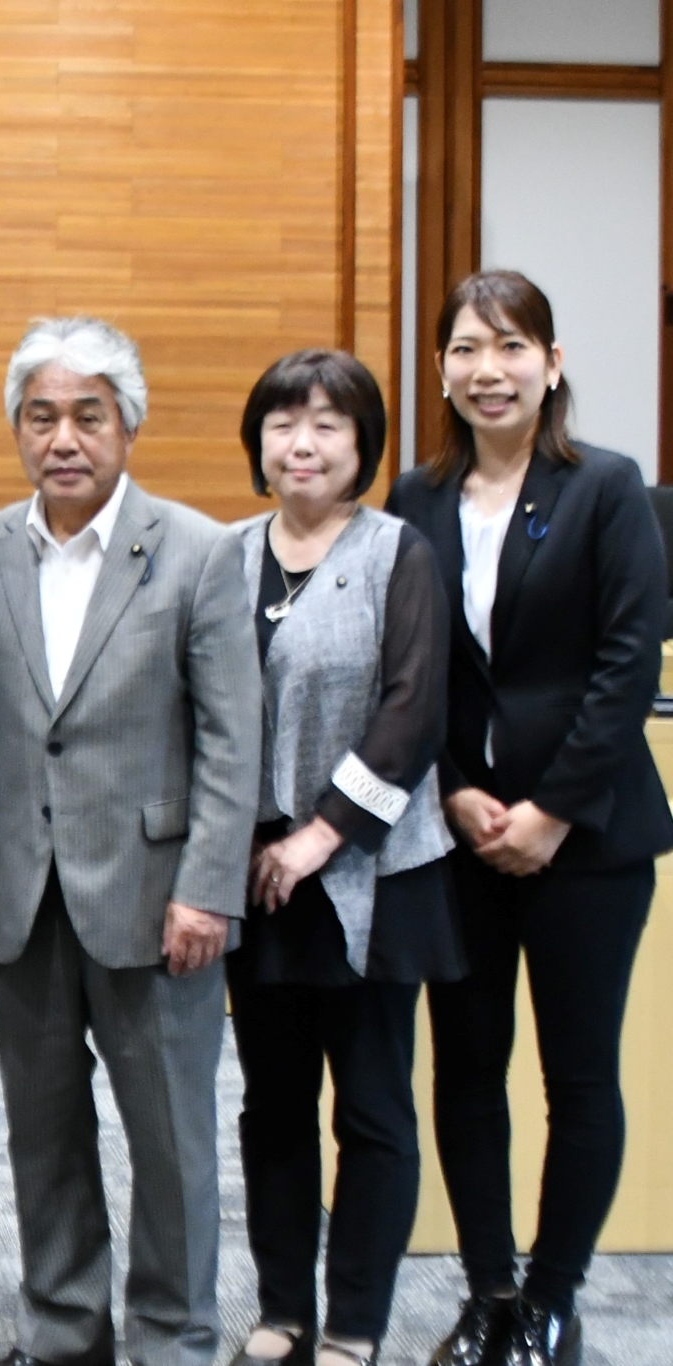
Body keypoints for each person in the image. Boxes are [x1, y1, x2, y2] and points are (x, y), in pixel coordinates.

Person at [0, 316, 262, 1366]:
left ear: (127, 424)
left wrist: (208, 886)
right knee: (40, 1131)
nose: (61, 437)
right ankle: (64, 1325)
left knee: (168, 1141)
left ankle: (170, 1335)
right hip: (19, 891)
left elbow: (228, 736)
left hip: (159, 898)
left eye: (86, 414)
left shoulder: (198, 551)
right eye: (40, 416)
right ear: (15, 431)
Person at [386, 271, 673, 1366]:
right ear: (443, 371)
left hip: (587, 839)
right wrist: (456, 788)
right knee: (463, 1067)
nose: (484, 369)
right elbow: (415, 666)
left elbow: (622, 664)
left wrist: (548, 809)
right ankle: (487, 1293)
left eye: (507, 346)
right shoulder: (415, 499)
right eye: (463, 348)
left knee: (576, 1073)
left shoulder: (605, 486)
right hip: (458, 834)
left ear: (548, 363)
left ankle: (553, 1299)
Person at [224, 350, 461, 1366]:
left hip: (369, 873)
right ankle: (281, 1311)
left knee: (368, 1109)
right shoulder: (223, 552)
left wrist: (321, 832)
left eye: (326, 422)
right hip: (252, 877)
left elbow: (412, 710)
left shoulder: (395, 551)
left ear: (361, 442)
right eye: (282, 421)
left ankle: (355, 1323)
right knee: (270, 1106)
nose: (302, 442)